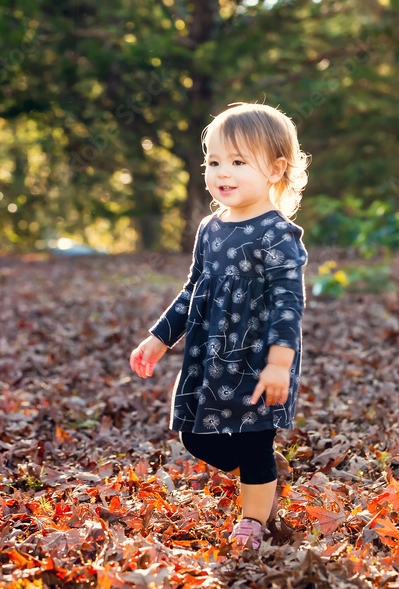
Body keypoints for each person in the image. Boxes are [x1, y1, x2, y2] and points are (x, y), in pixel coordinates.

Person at [129, 102, 309, 550]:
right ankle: (262, 474)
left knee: (252, 441)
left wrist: (279, 365)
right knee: (196, 437)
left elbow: (289, 304)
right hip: (210, 359)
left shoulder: (276, 234)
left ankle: (253, 520)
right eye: (213, 161)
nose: (221, 172)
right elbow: (193, 290)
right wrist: (158, 339)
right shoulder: (210, 229)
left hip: (256, 359)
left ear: (275, 169)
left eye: (237, 161)